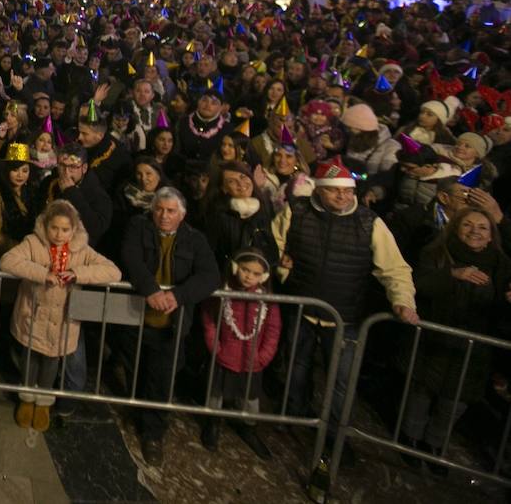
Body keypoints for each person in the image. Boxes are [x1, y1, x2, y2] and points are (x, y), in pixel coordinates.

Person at [273, 158, 418, 450]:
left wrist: (403, 300)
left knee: (341, 381)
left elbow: (394, 269)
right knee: (296, 368)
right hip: (301, 310)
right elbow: (272, 246)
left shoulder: (369, 223)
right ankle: (294, 417)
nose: (343, 196)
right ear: (319, 191)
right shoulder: (296, 211)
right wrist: (282, 269)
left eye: (348, 191)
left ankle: (333, 437)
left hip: (345, 317)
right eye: (335, 191)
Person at [401, 207, 511, 474]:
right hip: (434, 339)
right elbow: (419, 284)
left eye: (482, 227)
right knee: (422, 393)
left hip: (473, 350)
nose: (475, 231)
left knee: (454, 401)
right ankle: (410, 440)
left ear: (490, 236)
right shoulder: (436, 252)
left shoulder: (501, 264)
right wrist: (452, 275)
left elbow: (500, 310)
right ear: (456, 228)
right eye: (468, 225)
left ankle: (434, 446)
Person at [119, 187, 221, 465]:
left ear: (182, 214)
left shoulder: (194, 240)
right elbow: (130, 257)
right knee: (136, 370)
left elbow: (210, 275)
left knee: (161, 380)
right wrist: (150, 289)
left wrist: (177, 295)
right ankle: (137, 411)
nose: (164, 216)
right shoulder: (138, 227)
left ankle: (153, 433)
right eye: (160, 210)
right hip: (137, 317)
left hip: (171, 325)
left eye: (171, 211)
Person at [0, 199, 121, 431]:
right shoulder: (33, 243)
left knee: (51, 361)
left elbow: (113, 271)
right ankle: (26, 399)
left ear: (74, 229)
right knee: (29, 359)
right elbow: (7, 261)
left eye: (65, 229)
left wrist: (78, 273)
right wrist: (40, 273)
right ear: (45, 225)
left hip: (64, 322)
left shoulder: (82, 250)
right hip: (32, 316)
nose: (58, 234)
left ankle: (43, 403)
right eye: (54, 228)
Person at [199, 249, 281, 459]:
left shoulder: (267, 300)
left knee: (249, 397)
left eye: (255, 274)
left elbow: (273, 329)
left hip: (252, 360)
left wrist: (263, 356)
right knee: (216, 392)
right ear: (236, 267)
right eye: (245, 270)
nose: (248, 276)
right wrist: (215, 347)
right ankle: (212, 423)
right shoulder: (222, 293)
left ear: (263, 277)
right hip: (225, 355)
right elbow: (209, 320)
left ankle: (248, 427)